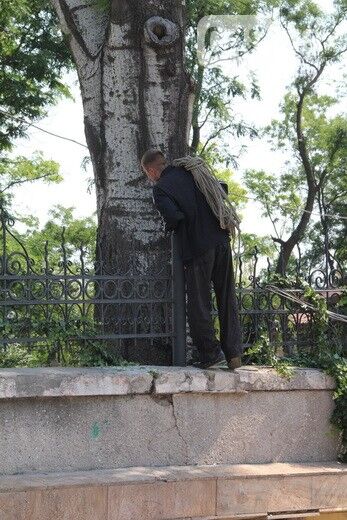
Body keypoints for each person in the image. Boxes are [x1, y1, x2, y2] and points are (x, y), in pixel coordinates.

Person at [141, 149, 243, 370]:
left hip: (198, 246)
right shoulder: (192, 171)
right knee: (227, 298)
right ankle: (234, 354)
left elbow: (175, 218)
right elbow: (221, 189)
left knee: (199, 302)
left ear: (151, 170)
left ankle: (211, 355)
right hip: (222, 240)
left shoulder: (161, 189)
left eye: (148, 175)